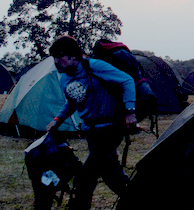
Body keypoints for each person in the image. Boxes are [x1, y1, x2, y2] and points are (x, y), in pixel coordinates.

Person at [46, 36, 137, 210]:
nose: (57, 61)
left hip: (110, 129)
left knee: (85, 177)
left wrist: (130, 111)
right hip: (91, 132)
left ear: (74, 56)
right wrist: (57, 120)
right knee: (112, 175)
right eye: (54, 57)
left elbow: (127, 80)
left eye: (60, 56)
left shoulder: (94, 66)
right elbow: (72, 102)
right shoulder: (64, 78)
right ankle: (138, 200)